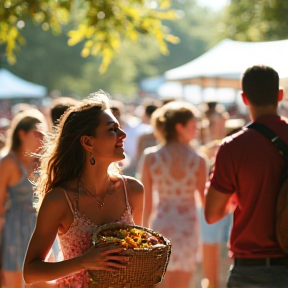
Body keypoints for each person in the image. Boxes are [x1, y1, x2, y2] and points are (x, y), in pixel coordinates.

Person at [23, 91, 144, 288]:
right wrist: (84, 261)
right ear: (88, 142)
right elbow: (30, 272)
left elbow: (139, 255)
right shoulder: (60, 200)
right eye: (112, 130)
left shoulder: (133, 191)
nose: (123, 135)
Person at [205, 65, 288, 288]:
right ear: (280, 95)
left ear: (244, 98)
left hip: (254, 268)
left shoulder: (234, 147)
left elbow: (212, 213)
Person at [139, 101, 207, 288]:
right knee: (183, 282)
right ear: (179, 127)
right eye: (194, 125)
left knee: (160, 281)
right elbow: (204, 201)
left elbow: (146, 200)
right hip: (188, 225)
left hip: (161, 224)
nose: (197, 129)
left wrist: (143, 233)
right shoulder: (199, 160)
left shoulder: (151, 156)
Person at [0, 108, 48, 288]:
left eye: (43, 133)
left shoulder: (42, 162)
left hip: (39, 227)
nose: (41, 138)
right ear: (22, 133)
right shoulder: (8, 162)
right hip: (14, 229)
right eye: (37, 133)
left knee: (42, 283)